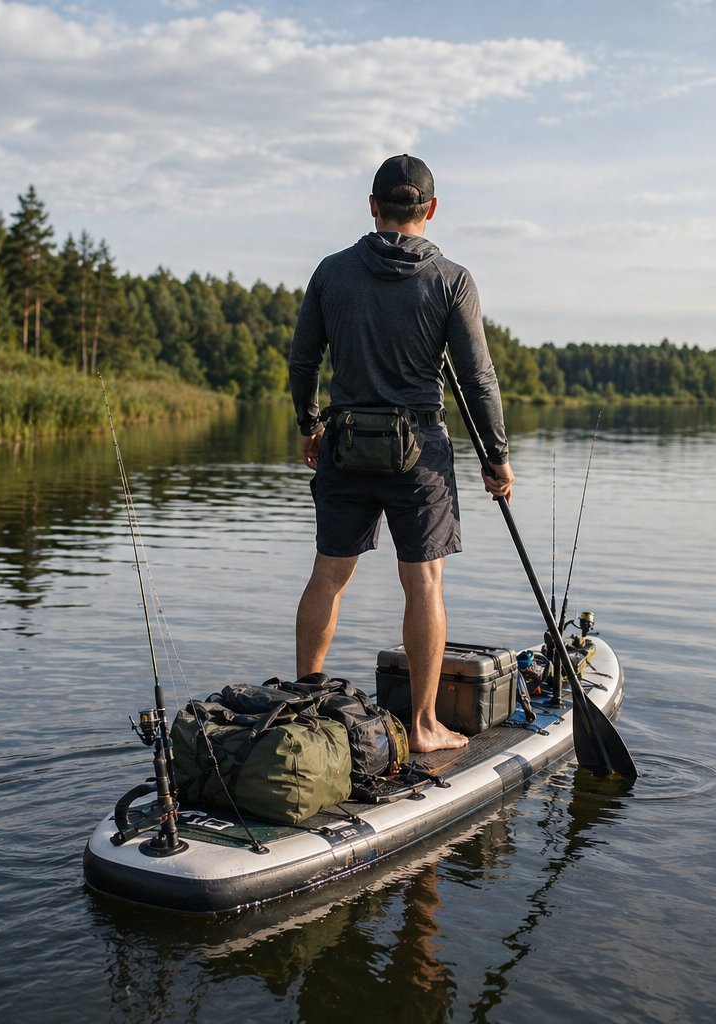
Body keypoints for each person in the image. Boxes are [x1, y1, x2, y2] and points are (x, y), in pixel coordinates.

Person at [288, 154, 513, 753]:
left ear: (372, 207)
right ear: (430, 210)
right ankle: (422, 726)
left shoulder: (331, 273)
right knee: (424, 583)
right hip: (422, 454)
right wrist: (497, 458)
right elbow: (478, 379)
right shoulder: (452, 280)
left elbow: (303, 359)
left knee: (328, 576)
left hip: (344, 445)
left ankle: (308, 715)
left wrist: (310, 424)